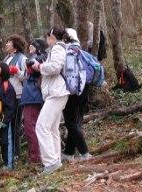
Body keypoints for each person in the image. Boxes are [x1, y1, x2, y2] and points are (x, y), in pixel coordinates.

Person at [32, 26, 70, 175]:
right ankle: (56, 160)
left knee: (41, 127)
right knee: (52, 128)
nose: (47, 40)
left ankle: (50, 162)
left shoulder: (58, 48)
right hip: (56, 92)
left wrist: (39, 66)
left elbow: (55, 67)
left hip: (57, 92)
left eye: (48, 37)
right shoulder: (58, 49)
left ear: (52, 36)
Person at [61, 28, 92, 162]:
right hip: (85, 88)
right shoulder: (80, 50)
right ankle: (68, 153)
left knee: (71, 123)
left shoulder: (66, 51)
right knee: (76, 121)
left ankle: (85, 153)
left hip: (72, 90)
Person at [20, 38, 47, 164]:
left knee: (30, 126)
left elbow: (38, 66)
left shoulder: (38, 58)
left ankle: (35, 156)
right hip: (32, 95)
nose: (29, 49)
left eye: (32, 46)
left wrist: (32, 63)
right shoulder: (34, 59)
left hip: (33, 95)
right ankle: (37, 155)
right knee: (33, 125)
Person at [3, 34, 27, 158]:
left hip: (17, 95)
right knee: (6, 123)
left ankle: (16, 153)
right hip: (5, 95)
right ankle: (7, 152)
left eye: (9, 42)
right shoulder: (5, 59)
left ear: (15, 46)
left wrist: (17, 72)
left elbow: (26, 76)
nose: (6, 44)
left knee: (16, 124)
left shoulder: (22, 59)